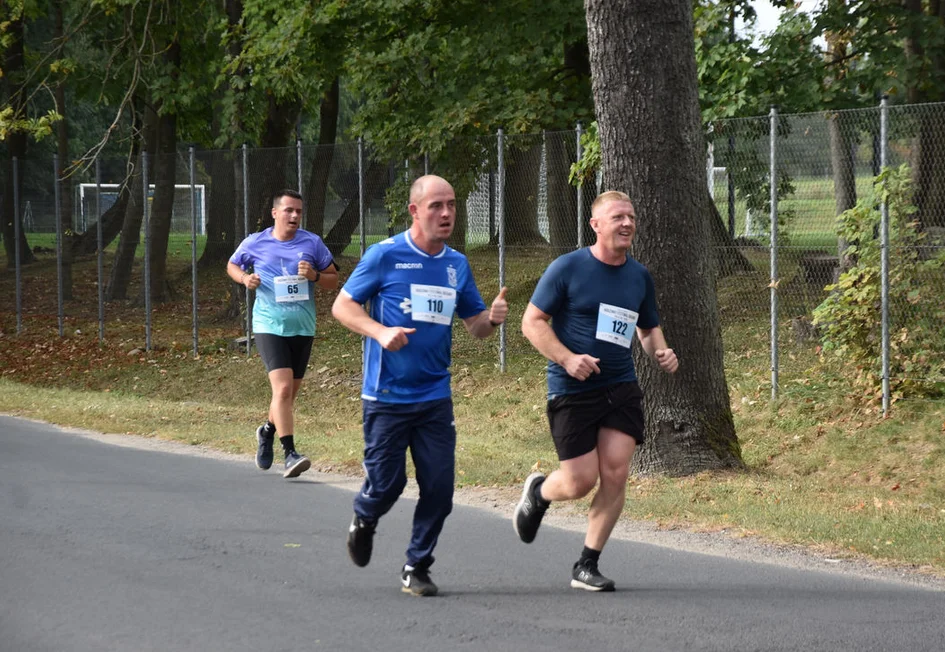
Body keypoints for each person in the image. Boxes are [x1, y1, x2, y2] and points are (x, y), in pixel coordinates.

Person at [332, 174, 508, 597]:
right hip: (387, 396)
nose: (446, 213)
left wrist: (493, 319)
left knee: (440, 490)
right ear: (414, 210)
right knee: (388, 484)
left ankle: (417, 564)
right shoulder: (385, 255)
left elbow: (474, 327)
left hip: (434, 397)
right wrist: (378, 332)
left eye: (451, 205)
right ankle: (365, 515)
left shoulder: (456, 265)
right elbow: (343, 305)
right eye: (436, 206)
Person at [515, 190, 678, 592]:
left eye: (631, 217)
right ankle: (539, 491)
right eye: (618, 217)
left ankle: (587, 564)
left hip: (620, 385)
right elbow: (532, 322)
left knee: (616, 472)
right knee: (579, 481)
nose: (627, 224)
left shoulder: (639, 275)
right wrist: (568, 358)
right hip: (572, 388)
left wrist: (661, 351)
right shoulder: (567, 268)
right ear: (596, 225)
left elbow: (646, 328)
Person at [227, 189, 338, 479]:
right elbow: (232, 265)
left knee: (289, 394)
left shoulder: (312, 243)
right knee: (283, 390)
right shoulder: (255, 242)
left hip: (302, 326)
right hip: (268, 325)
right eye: (289, 210)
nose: (294, 216)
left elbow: (333, 281)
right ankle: (290, 453)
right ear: (275, 213)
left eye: (298, 211)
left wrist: (314, 275)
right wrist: (244, 279)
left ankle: (266, 431)